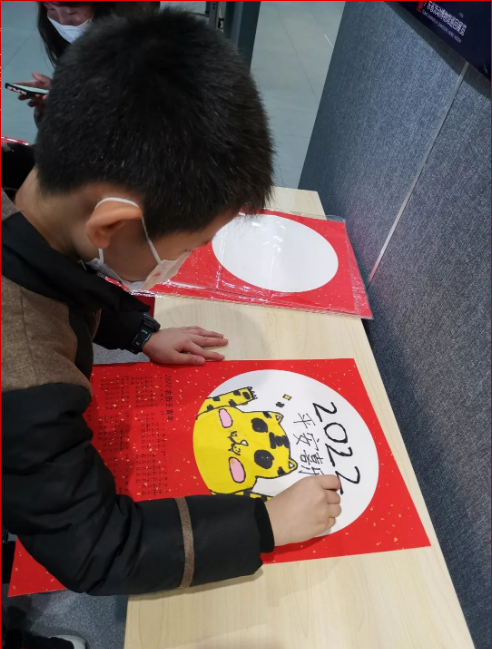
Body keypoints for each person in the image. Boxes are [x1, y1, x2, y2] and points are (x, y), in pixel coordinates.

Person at [1, 9, 341, 595]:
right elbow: (97, 549)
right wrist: (263, 522)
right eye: (187, 247)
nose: (182, 261)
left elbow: (59, 275)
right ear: (112, 225)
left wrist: (139, 332)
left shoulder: (27, 186)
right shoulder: (24, 373)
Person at [16, 2, 160, 119]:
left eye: (71, 13)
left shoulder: (143, 54)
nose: (62, 21)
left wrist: (69, 103)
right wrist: (59, 91)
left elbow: (134, 118)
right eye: (51, 8)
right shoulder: (81, 47)